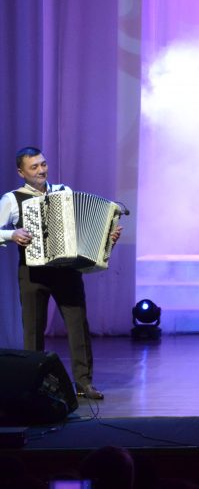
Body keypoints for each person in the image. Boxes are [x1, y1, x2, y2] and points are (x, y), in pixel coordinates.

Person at [0, 146, 121, 400]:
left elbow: (83, 230)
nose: (41, 170)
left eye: (43, 164)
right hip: (33, 273)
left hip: (67, 270)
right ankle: (34, 384)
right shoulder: (12, 199)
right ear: (21, 172)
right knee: (33, 331)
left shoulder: (63, 192)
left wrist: (106, 238)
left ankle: (84, 383)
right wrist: (13, 234)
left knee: (78, 326)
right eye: (34, 166)